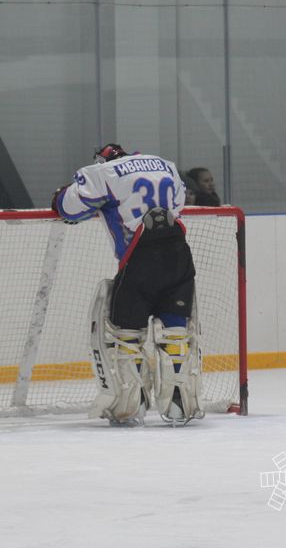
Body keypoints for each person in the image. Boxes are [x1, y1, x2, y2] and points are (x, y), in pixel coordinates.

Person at [51, 143, 204, 427]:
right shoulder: (165, 164)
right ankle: (179, 402)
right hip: (179, 258)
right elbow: (179, 205)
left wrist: (62, 194)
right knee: (176, 333)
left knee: (127, 336)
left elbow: (67, 208)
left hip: (139, 262)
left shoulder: (103, 171)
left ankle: (131, 405)